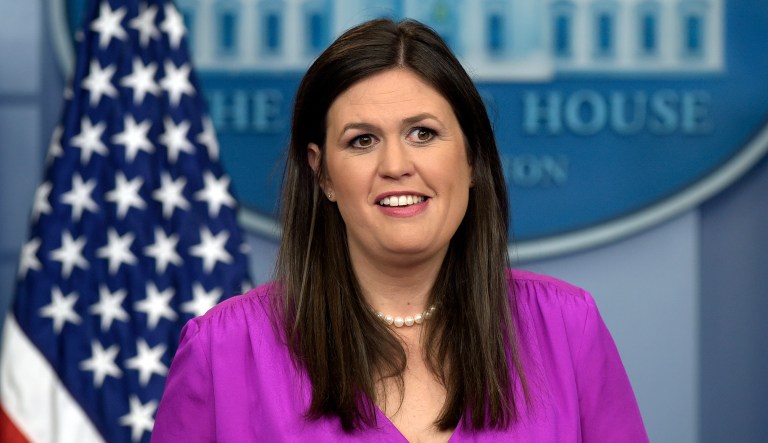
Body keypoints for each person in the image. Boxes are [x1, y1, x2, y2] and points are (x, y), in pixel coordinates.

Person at [152, 18, 648, 442]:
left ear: (472, 157)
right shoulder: (222, 349)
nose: (396, 164)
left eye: (423, 134)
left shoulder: (567, 327)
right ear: (322, 173)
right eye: (363, 140)